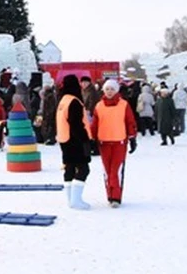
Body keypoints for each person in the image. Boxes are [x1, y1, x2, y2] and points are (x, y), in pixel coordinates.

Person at [89, 79, 137, 208]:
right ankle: (109, 195)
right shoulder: (99, 106)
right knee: (107, 171)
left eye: (112, 89)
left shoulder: (124, 105)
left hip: (119, 142)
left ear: (116, 91)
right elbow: (94, 125)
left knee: (116, 170)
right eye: (107, 89)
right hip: (103, 142)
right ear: (103, 91)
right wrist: (92, 139)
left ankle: (116, 197)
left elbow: (130, 121)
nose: (109, 92)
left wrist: (132, 138)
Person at [57, 75, 93, 210]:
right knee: (83, 168)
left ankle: (70, 199)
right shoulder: (74, 101)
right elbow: (76, 124)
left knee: (69, 168)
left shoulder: (63, 100)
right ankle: (76, 200)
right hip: (75, 140)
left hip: (63, 139)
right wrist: (85, 140)